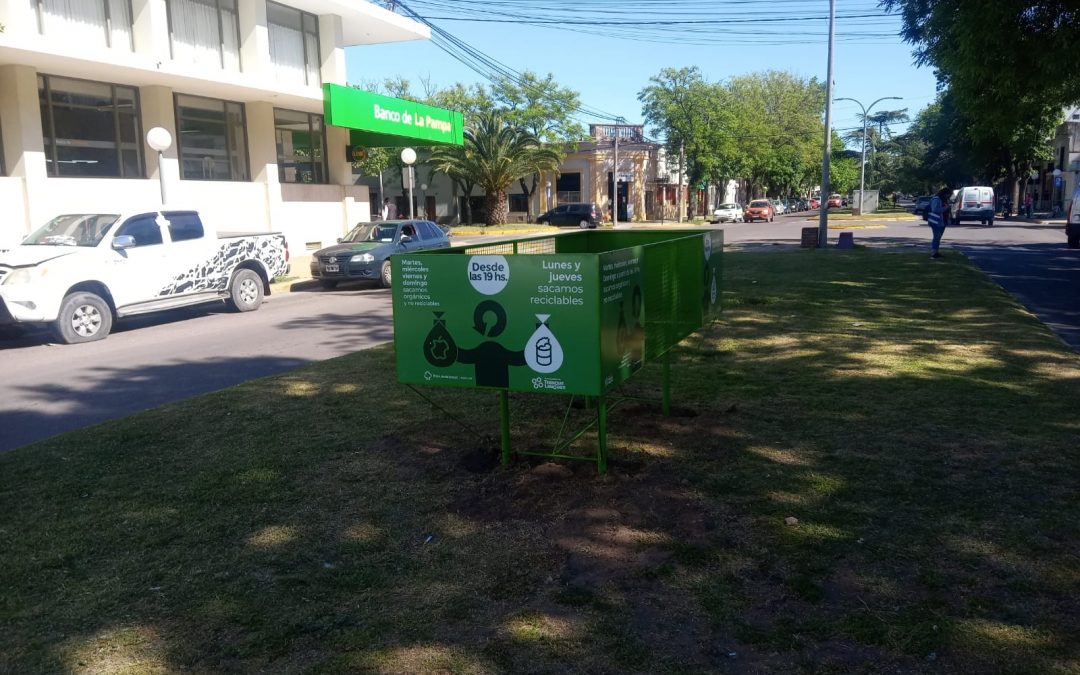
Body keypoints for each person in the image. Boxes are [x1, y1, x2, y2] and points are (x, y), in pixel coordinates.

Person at [927, 187, 951, 259]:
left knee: (938, 237)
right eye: (948, 194)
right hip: (936, 221)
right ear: (944, 193)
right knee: (936, 237)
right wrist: (945, 208)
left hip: (942, 221)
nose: (948, 196)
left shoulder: (943, 199)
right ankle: (934, 253)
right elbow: (935, 209)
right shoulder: (936, 199)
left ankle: (936, 252)